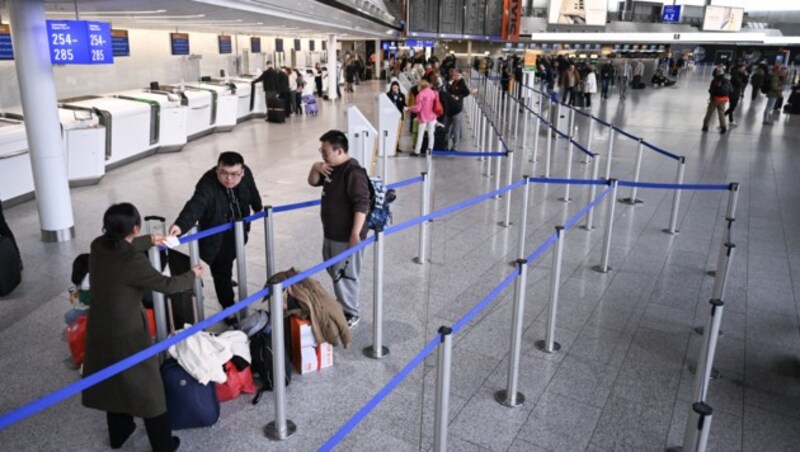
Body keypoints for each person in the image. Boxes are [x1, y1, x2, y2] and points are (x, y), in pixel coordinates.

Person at [82, 203, 202, 452]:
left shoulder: (98, 245)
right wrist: (193, 274)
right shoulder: (133, 262)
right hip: (127, 332)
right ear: (135, 227)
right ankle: (163, 445)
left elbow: (122, 245)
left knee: (112, 378)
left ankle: (120, 432)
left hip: (99, 325)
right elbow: (167, 285)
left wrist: (150, 240)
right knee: (148, 387)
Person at [168, 152, 262, 324]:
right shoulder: (208, 183)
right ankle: (228, 307)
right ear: (217, 169)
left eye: (234, 174)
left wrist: (258, 208)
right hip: (217, 237)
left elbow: (252, 191)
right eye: (223, 173)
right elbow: (196, 205)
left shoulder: (245, 173)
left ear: (242, 172)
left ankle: (227, 282)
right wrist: (180, 226)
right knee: (221, 271)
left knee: (231, 261)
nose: (229, 179)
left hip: (240, 230)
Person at [307, 130, 370, 329]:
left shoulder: (353, 172)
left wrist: (355, 234)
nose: (322, 156)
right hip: (331, 233)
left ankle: (351, 312)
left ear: (340, 150)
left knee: (346, 274)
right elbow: (313, 181)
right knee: (335, 271)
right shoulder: (331, 167)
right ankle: (343, 304)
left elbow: (362, 203)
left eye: (325, 152)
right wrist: (316, 167)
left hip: (346, 236)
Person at [407, 79, 438, 157]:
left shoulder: (420, 95)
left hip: (423, 117)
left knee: (420, 134)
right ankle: (430, 151)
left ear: (420, 86)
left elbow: (418, 108)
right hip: (432, 116)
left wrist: (409, 108)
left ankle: (417, 151)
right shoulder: (434, 93)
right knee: (431, 134)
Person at [447, 70, 471, 149]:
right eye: (455, 75)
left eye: (458, 75)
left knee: (455, 129)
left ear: (461, 75)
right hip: (451, 107)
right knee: (447, 127)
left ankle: (455, 146)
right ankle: (446, 143)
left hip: (457, 108)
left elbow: (467, 92)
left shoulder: (462, 83)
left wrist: (459, 96)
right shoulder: (454, 82)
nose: (456, 77)